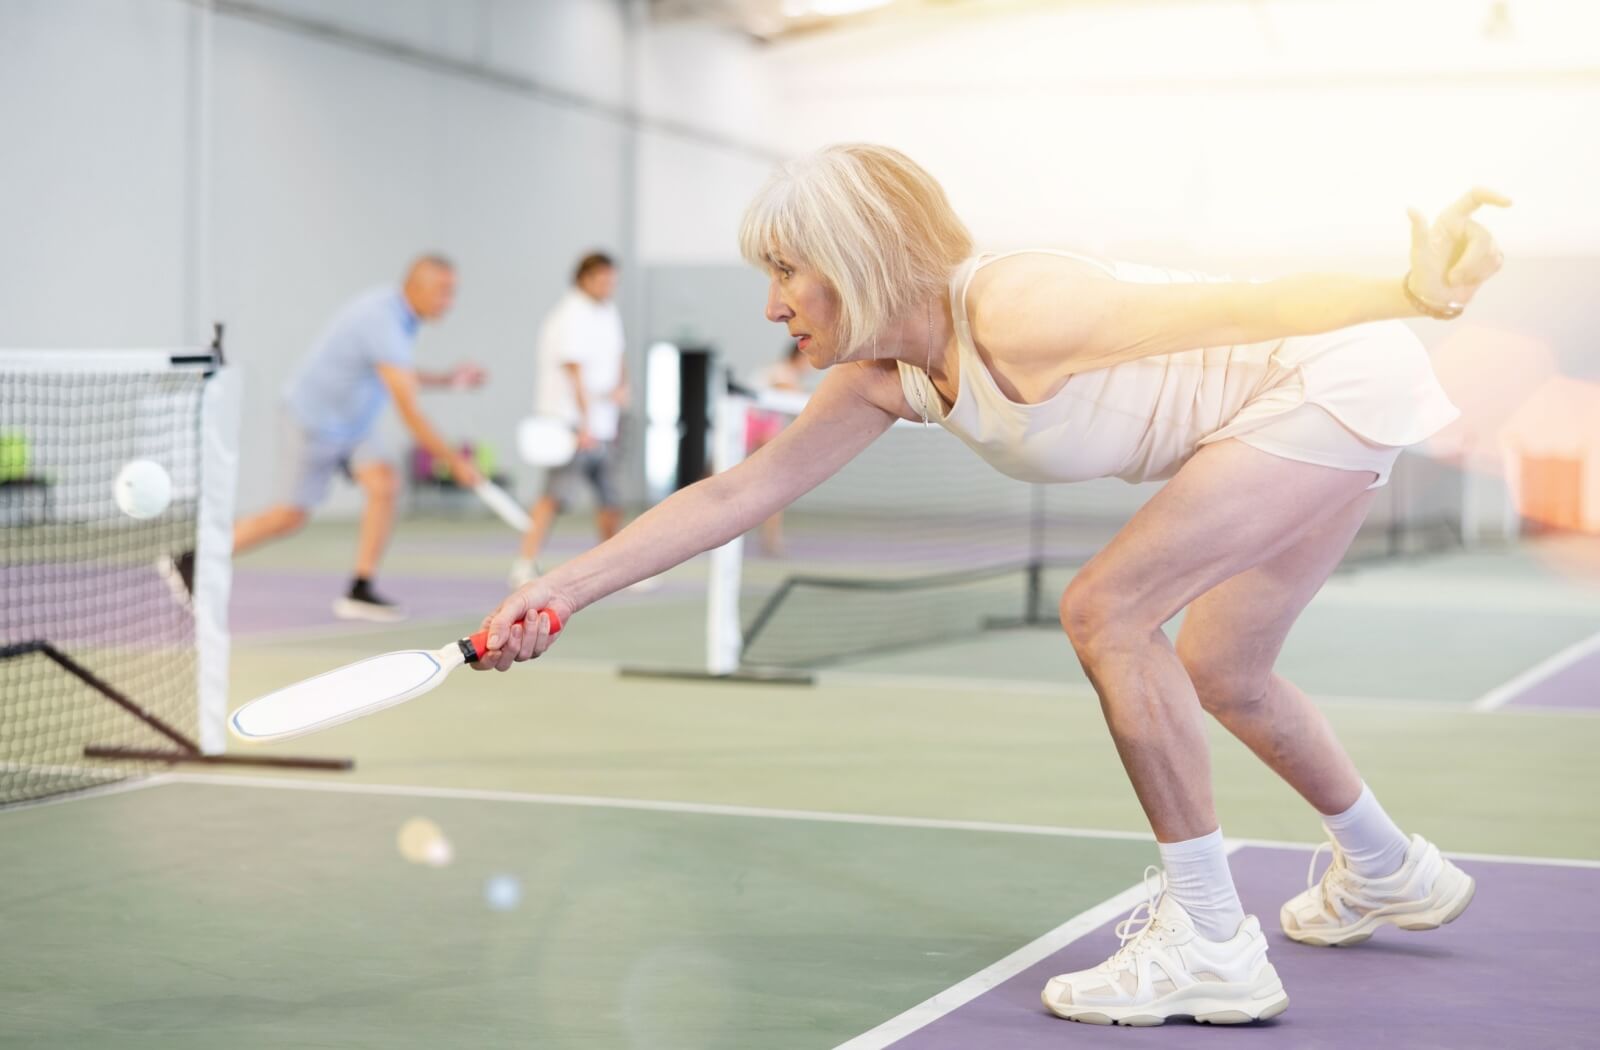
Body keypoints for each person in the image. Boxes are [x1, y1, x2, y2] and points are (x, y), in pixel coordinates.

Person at [473, 145, 1506, 1026]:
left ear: (856, 259)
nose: (771, 301)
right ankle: (1385, 868)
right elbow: (738, 492)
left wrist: (1410, 292)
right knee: (1223, 668)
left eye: (788, 269)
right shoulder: (883, 373)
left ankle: (1209, 938)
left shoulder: (1018, 307)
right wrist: (560, 589)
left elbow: (1240, 301)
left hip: (1323, 377)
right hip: (1331, 396)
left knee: (1108, 609)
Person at [230, 255, 484, 622]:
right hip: (312, 422)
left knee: (384, 483)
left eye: (452, 293)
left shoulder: (403, 318)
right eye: (443, 292)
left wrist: (447, 379)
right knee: (288, 516)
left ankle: (360, 588)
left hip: (354, 427)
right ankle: (197, 557)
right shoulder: (381, 320)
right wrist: (453, 460)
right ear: (417, 287)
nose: (450, 302)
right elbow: (408, 408)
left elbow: (398, 372)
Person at [508, 253, 631, 588]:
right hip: (572, 427)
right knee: (554, 497)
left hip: (605, 427)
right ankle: (525, 563)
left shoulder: (608, 313)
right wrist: (586, 425)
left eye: (612, 280)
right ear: (584, 279)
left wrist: (622, 390)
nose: (608, 287)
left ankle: (619, 570)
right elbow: (573, 371)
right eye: (602, 280)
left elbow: (619, 356)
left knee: (611, 501)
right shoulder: (569, 316)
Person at [743, 341, 813, 555]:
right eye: (808, 360)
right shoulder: (781, 373)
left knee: (773, 481)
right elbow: (799, 402)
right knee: (715, 476)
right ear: (799, 356)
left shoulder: (787, 377)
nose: (810, 367)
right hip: (746, 424)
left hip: (766, 426)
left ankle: (771, 539)